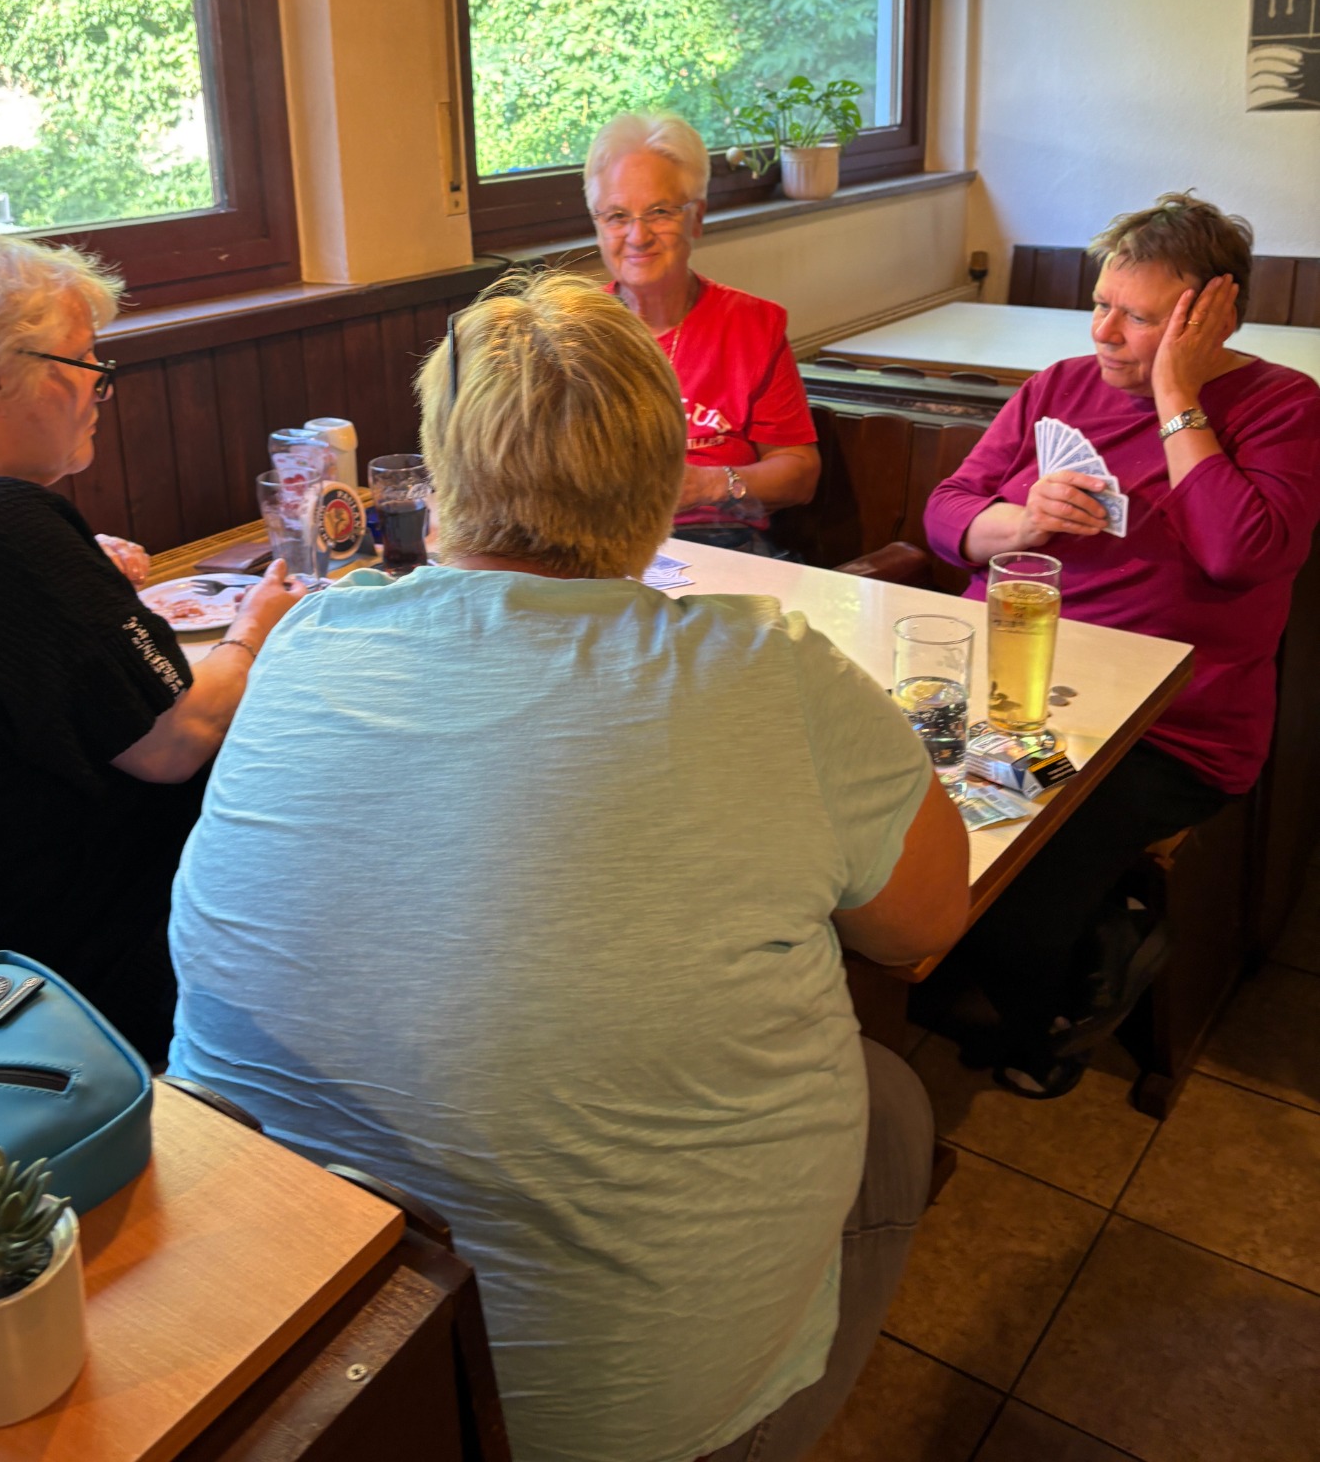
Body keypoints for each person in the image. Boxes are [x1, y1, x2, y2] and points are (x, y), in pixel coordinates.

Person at [168, 271, 968, 1462]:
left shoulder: (303, 641)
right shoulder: (777, 672)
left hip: (286, 1374)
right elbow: (924, 925)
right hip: (606, 1422)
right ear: (665, 479)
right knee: (895, 1104)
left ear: (442, 475)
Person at [0, 227, 301, 1060]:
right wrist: (259, 627)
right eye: (85, 365)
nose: (98, 391)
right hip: (40, 966)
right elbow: (176, 740)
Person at [924, 192, 1320, 1098]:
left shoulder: (1283, 405)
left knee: (1020, 837)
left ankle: (1043, 1023)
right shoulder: (1058, 386)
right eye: (1101, 303)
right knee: (892, 795)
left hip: (1164, 729)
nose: (1103, 332)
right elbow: (947, 512)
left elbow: (1240, 553)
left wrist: (1178, 393)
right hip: (1013, 689)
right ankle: (967, 965)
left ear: (1209, 320)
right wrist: (1016, 523)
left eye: (1138, 319)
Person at [584, 112, 820, 549]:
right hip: (592, 545)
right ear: (598, 227)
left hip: (717, 542)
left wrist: (710, 484)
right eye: (616, 216)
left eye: (659, 212)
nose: (637, 236)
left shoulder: (753, 326)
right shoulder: (569, 331)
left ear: (696, 218)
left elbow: (799, 473)